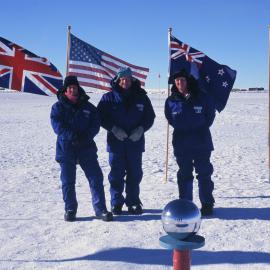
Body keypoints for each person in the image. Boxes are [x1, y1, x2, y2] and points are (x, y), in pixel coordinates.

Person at [50, 75, 113, 222]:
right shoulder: (58, 107)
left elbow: (95, 124)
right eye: (69, 87)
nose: (72, 89)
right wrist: (72, 136)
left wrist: (86, 137)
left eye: (74, 87)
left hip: (86, 147)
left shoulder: (88, 107)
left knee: (96, 178)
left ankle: (100, 209)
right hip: (66, 148)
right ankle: (70, 209)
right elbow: (57, 125)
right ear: (65, 90)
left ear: (78, 88)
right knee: (68, 181)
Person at [97, 67, 155, 215]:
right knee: (116, 174)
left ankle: (133, 202)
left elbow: (150, 117)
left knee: (135, 174)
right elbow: (100, 117)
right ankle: (116, 203)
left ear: (132, 80)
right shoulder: (108, 98)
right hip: (116, 143)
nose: (125, 81)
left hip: (135, 142)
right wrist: (113, 128)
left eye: (128, 79)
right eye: (122, 79)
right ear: (118, 80)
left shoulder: (142, 97)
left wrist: (141, 129)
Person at [164, 69, 216, 216]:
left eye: (182, 80)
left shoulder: (202, 97)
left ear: (188, 81)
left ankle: (207, 203)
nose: (180, 83)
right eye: (177, 80)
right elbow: (170, 118)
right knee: (184, 174)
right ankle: (186, 203)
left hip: (201, 142)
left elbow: (209, 117)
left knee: (204, 174)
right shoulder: (170, 101)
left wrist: (197, 129)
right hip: (181, 143)